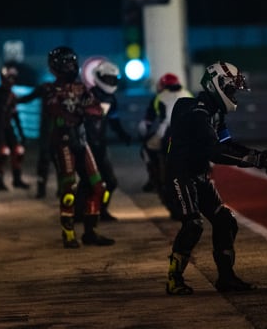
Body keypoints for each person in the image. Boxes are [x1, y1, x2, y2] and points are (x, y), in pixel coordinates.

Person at [165, 61, 267, 295]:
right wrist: (256, 159)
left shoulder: (215, 112)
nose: (234, 95)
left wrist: (261, 156)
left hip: (199, 174)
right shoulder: (196, 111)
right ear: (216, 85)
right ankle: (174, 279)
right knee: (193, 225)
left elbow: (226, 143)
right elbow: (216, 151)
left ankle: (226, 278)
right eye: (231, 89)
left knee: (225, 221)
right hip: (180, 174)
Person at [42, 46, 114, 248]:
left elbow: (97, 110)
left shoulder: (81, 87)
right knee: (69, 189)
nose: (71, 67)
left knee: (99, 187)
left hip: (81, 140)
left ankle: (91, 232)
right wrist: (82, 111)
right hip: (62, 143)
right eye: (66, 63)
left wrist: (81, 111)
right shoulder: (50, 89)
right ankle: (68, 234)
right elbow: (55, 110)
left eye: (72, 63)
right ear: (56, 67)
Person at [77, 57, 132, 222]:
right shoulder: (87, 95)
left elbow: (114, 120)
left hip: (101, 144)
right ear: (98, 77)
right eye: (107, 78)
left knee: (110, 181)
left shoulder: (111, 99)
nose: (110, 82)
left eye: (113, 79)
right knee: (87, 181)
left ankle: (102, 210)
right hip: (85, 144)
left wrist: (123, 134)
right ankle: (79, 213)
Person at [138, 72, 192, 198]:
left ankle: (154, 179)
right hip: (189, 133)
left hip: (166, 133)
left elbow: (146, 123)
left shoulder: (159, 97)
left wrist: (143, 135)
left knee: (146, 149)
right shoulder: (188, 94)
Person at [0, 61, 30, 191]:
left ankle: (17, 180)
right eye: (9, 78)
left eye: (13, 79)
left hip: (8, 128)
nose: (11, 81)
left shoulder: (12, 96)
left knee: (19, 151)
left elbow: (15, 115)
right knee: (4, 152)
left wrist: (21, 133)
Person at [16, 82, 52, 199]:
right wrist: (13, 100)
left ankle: (63, 189)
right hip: (48, 130)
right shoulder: (47, 87)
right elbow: (28, 98)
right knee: (45, 159)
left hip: (60, 130)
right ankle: (42, 189)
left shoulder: (69, 87)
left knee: (61, 160)